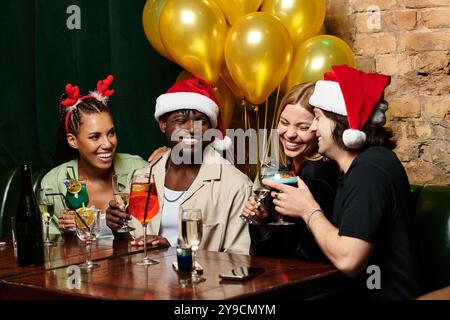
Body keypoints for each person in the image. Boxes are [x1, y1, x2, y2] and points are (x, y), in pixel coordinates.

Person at [263, 65, 421, 299]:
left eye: (316, 118)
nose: (314, 127)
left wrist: (308, 210)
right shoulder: (358, 168)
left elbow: (349, 260)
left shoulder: (369, 170)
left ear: (340, 122)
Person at [106, 77, 251, 254]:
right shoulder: (141, 177)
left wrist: (172, 252)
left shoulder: (236, 186)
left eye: (201, 121)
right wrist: (118, 228)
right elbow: (132, 246)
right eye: (181, 121)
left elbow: (239, 261)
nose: (191, 129)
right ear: (163, 124)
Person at [241, 83, 340, 262]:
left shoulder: (320, 178)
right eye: (284, 123)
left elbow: (307, 257)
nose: (290, 134)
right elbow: (269, 255)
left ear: (319, 128)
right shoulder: (281, 171)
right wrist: (262, 223)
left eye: (303, 127)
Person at [40, 75, 148, 236]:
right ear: (73, 141)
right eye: (94, 137)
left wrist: (166, 155)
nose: (107, 144)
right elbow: (50, 247)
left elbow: (153, 226)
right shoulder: (53, 184)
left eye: (111, 133)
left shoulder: (138, 170)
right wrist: (67, 234)